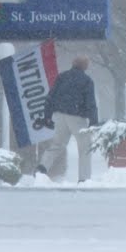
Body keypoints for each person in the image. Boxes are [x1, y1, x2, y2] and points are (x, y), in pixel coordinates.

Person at [36, 55, 99, 183]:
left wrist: (47, 117)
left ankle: (42, 167)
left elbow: (50, 98)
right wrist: (93, 122)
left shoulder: (62, 77)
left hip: (59, 116)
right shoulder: (86, 81)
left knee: (57, 145)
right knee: (85, 147)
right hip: (77, 117)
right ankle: (84, 179)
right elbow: (90, 103)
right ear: (84, 66)